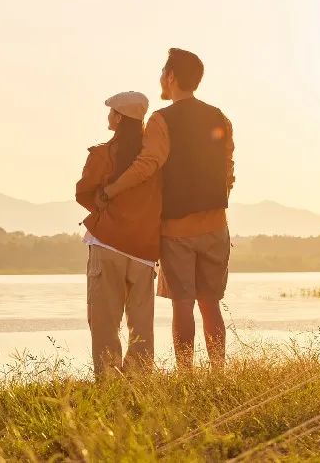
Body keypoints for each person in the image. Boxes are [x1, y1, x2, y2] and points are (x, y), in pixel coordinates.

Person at [99, 49, 235, 370]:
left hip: (177, 229)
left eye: (163, 70)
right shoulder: (220, 117)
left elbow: (148, 164)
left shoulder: (162, 119)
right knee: (211, 304)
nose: (161, 76)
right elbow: (228, 168)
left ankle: (185, 376)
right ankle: (218, 374)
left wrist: (113, 188)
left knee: (183, 305)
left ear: (171, 76)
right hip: (217, 225)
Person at [75, 91, 163, 377]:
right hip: (145, 250)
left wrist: (104, 207)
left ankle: (109, 381)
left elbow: (84, 193)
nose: (108, 116)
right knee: (141, 324)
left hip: (107, 245)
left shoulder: (102, 154)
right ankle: (139, 381)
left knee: (104, 320)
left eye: (111, 111)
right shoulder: (155, 160)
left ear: (119, 117)